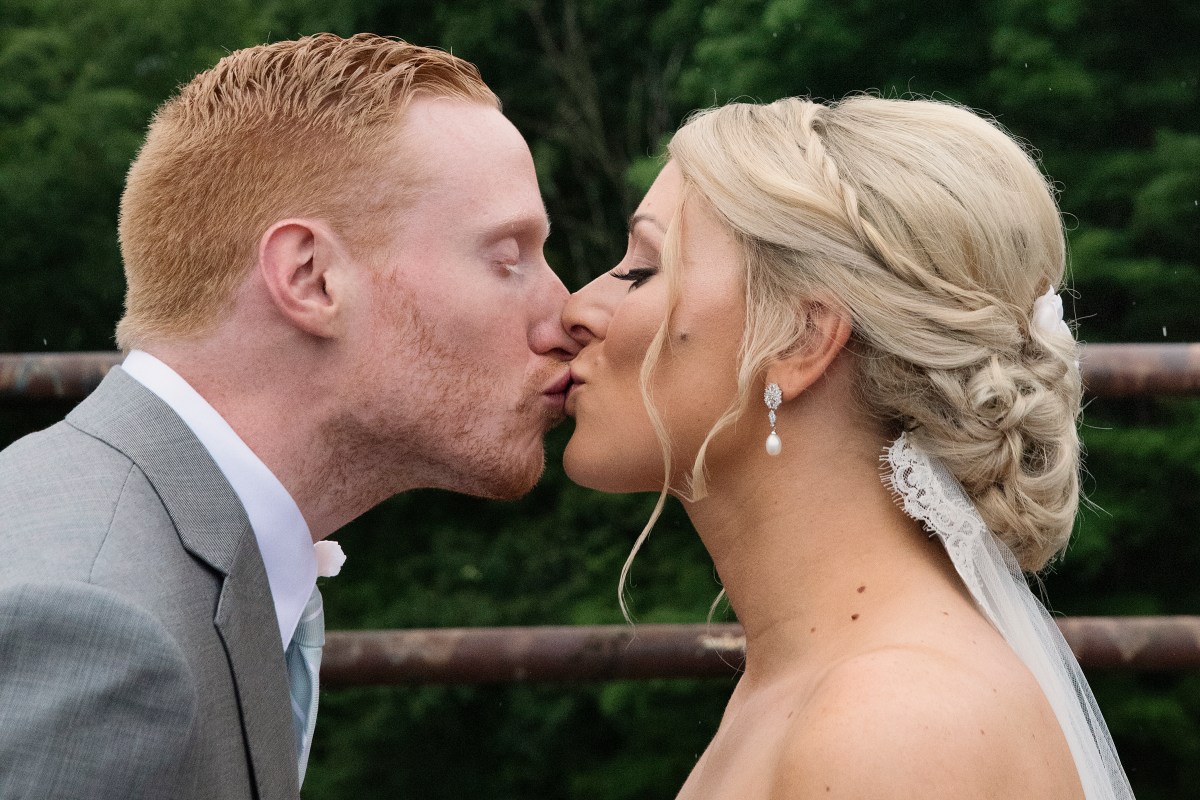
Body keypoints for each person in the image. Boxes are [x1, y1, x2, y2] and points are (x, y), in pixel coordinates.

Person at [0, 33, 575, 800]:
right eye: (507, 258)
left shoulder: (133, 543)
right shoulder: (99, 631)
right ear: (311, 277)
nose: (565, 315)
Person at [562, 95, 1134, 798]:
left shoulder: (891, 723)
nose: (576, 308)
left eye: (643, 270)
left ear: (802, 339)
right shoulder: (818, 683)